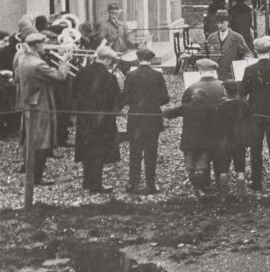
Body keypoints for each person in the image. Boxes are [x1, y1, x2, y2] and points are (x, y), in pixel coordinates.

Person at [17, 33, 71, 186]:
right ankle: (37, 177)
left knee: (31, 140)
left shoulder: (23, 58)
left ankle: (31, 175)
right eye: (43, 43)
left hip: (29, 103)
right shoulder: (37, 64)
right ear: (36, 45)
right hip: (39, 105)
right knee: (41, 141)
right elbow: (60, 76)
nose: (45, 46)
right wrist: (65, 61)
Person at [240, 36, 270, 191]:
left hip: (255, 112)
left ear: (255, 51)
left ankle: (256, 181)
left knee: (256, 147)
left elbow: (243, 91)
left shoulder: (249, 70)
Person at [73, 46, 121, 193]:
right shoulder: (109, 78)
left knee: (88, 150)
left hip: (84, 119)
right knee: (99, 151)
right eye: (110, 61)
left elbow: (74, 94)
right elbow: (117, 100)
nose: (110, 64)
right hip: (102, 121)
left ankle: (87, 181)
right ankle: (96, 184)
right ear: (106, 59)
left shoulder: (82, 73)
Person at [121, 48, 169, 194]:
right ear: (151, 59)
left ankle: (133, 184)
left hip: (135, 118)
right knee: (151, 151)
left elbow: (125, 98)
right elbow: (165, 98)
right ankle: (151, 184)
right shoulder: (158, 75)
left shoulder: (130, 75)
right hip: (153, 118)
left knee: (135, 151)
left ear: (137, 58)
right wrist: (152, 103)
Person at [181, 58, 225, 189]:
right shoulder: (223, 86)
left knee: (200, 158)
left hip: (198, 131)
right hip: (219, 128)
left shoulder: (191, 88)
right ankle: (220, 182)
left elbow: (184, 107)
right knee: (219, 157)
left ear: (199, 71)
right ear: (214, 70)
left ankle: (203, 184)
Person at [164, 89, 213, 198]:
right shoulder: (209, 109)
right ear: (204, 98)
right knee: (201, 167)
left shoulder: (185, 108)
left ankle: (197, 188)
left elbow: (169, 114)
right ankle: (201, 188)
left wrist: (163, 112)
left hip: (189, 143)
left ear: (192, 97)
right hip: (203, 143)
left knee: (190, 167)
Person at [214, 80, 255, 196]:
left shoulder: (220, 106)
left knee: (223, 169)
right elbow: (249, 124)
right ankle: (242, 194)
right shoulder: (244, 105)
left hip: (224, 141)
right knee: (240, 168)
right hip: (239, 141)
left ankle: (223, 194)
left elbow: (215, 125)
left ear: (226, 91)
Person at [205, 9, 253, 80]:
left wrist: (240, 64)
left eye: (222, 22)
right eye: (218, 23)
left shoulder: (237, 37)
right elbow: (204, 53)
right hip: (214, 75)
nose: (220, 25)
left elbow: (247, 53)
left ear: (228, 22)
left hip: (230, 75)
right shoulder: (211, 37)